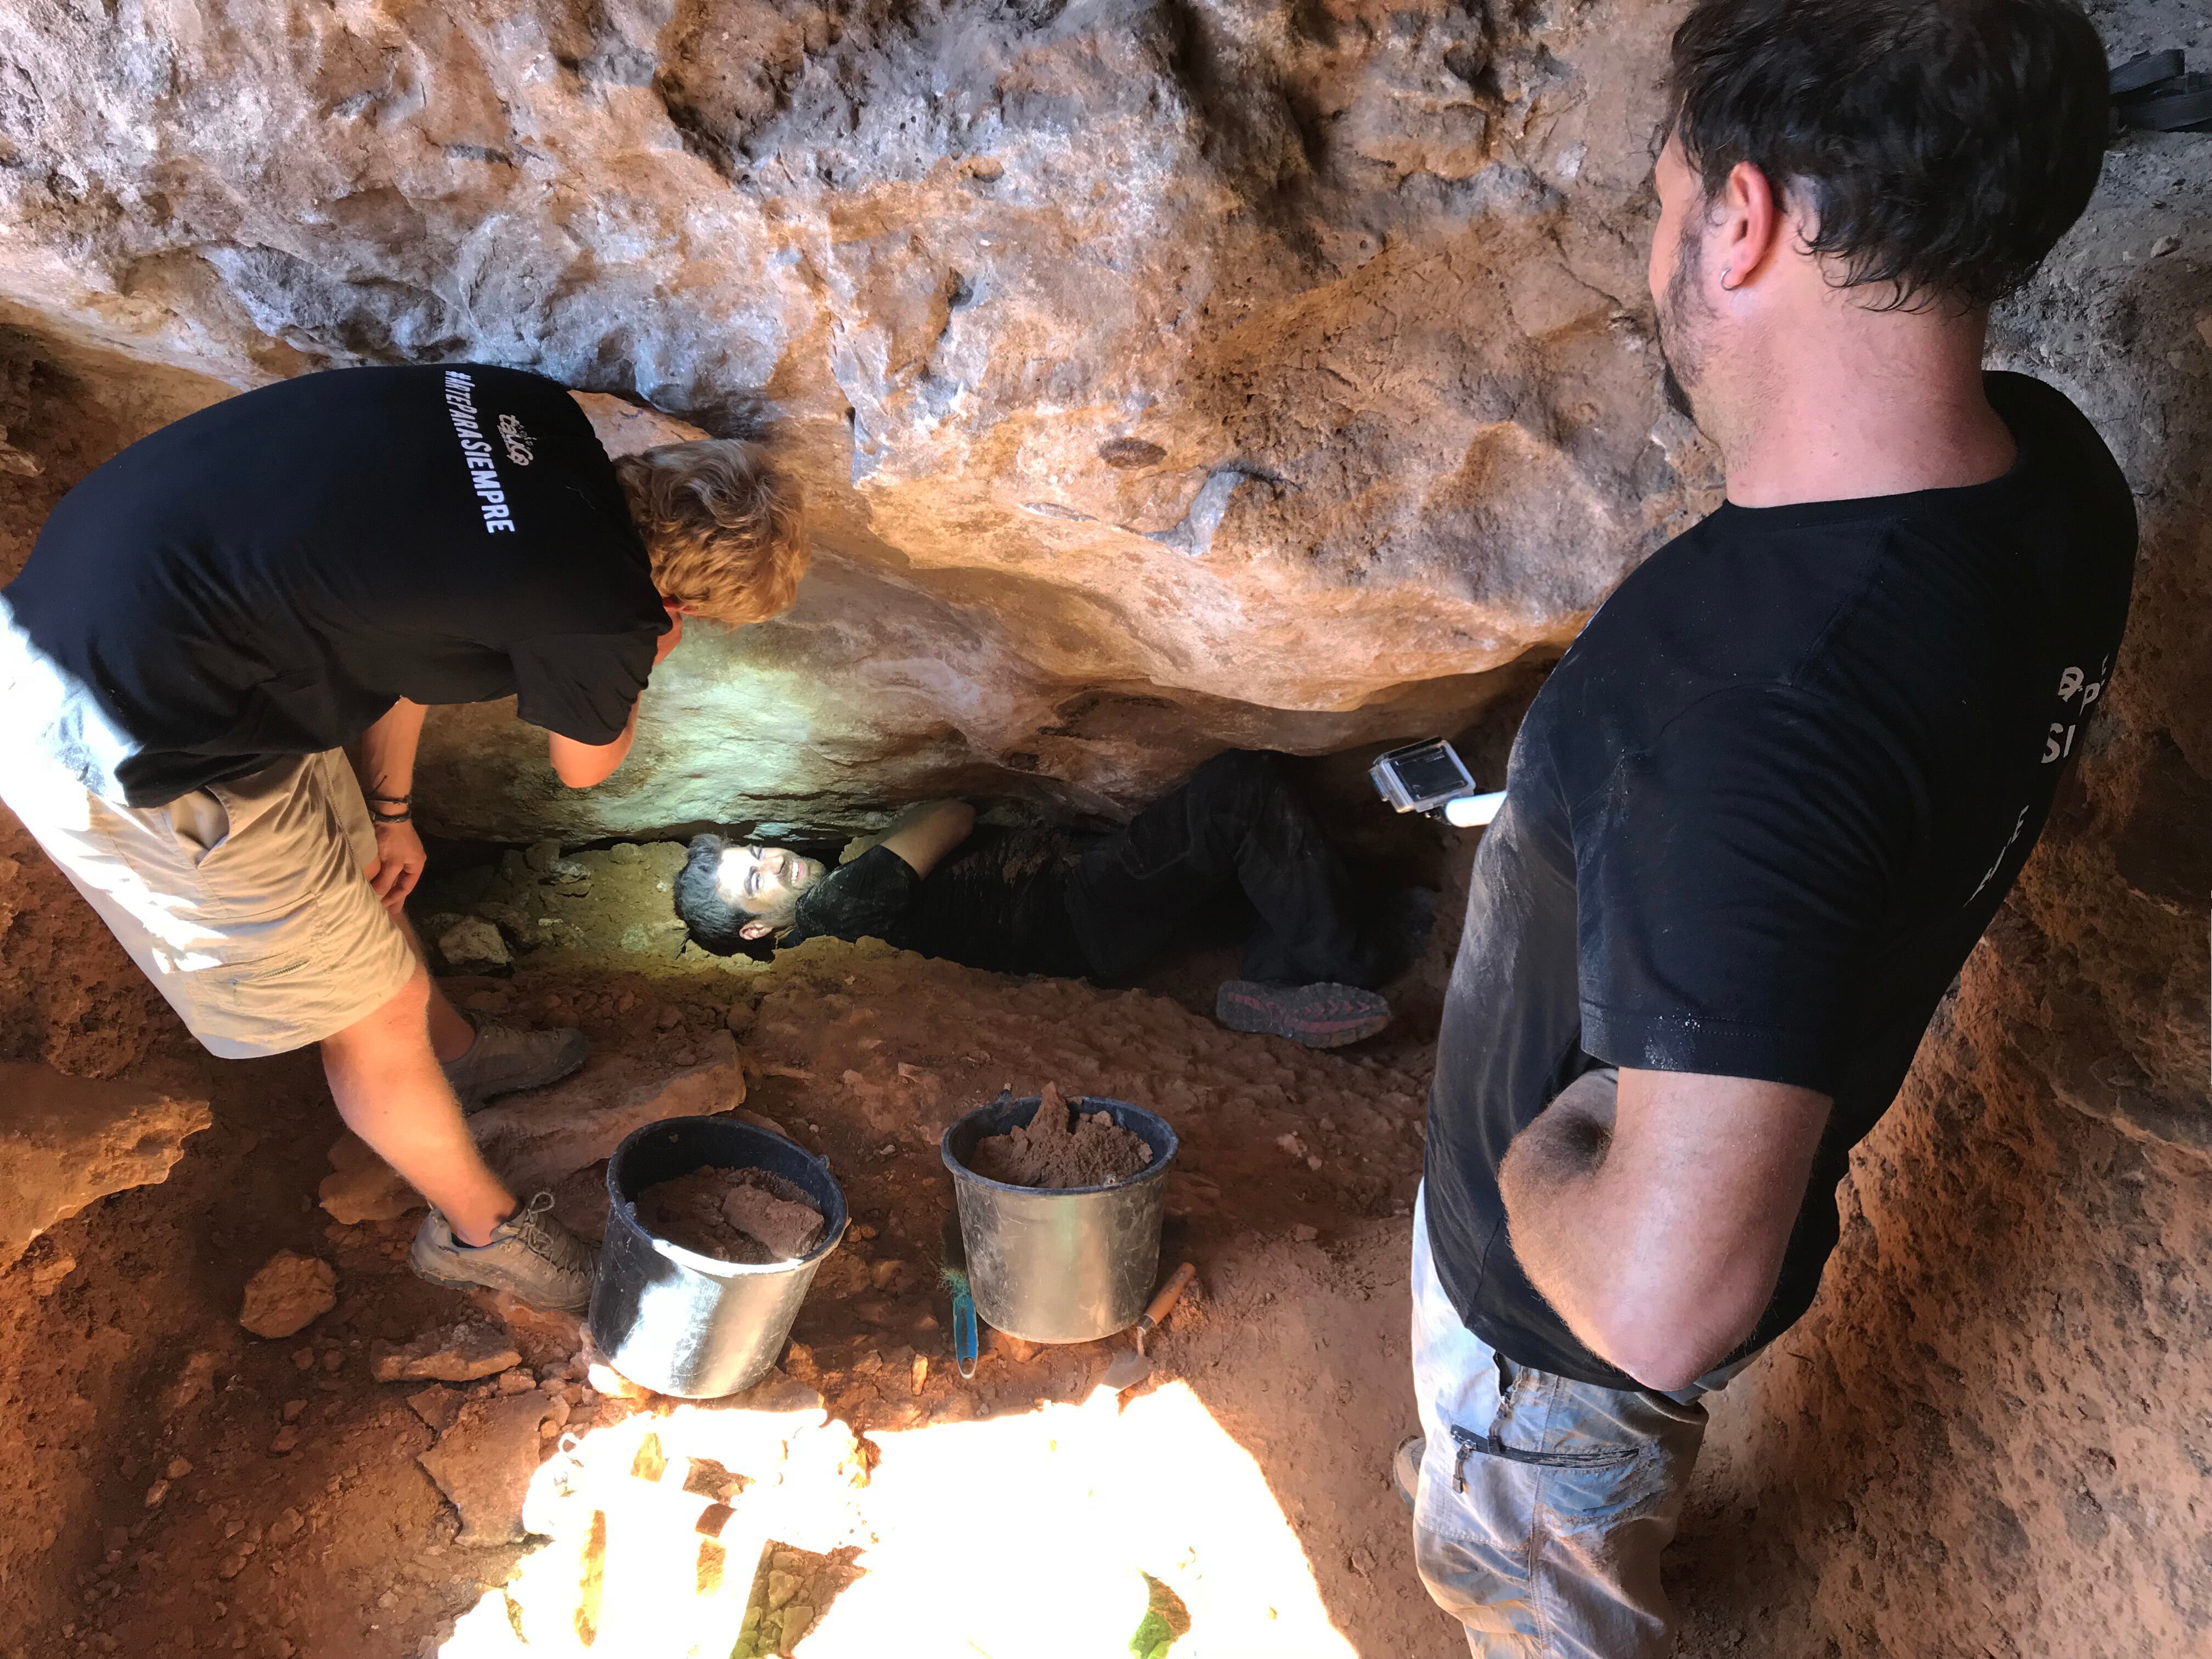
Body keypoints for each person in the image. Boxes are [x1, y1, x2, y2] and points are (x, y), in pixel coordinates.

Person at [1404, 0, 2131, 1652]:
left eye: (1666, 200)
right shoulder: (2060, 484)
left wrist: (1529, 1164)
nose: (1660, 240)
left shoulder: (1749, 704)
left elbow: (1662, 1306)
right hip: (1709, 1160)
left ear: (1745, 218)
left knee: (1536, 1597)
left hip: (1547, 1361)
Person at [0, 364, 808, 1311]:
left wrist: (392, 810)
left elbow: (410, 642)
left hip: (145, 622)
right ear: (686, 603)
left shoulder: (529, 416)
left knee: (355, 878)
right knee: (368, 1024)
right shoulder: (606, 608)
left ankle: (458, 1058)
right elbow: (585, 765)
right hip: (129, 758)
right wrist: (644, 653)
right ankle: (479, 1235)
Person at [674, 749, 1405, 1048]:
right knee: (1238, 793)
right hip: (1075, 908)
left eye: (759, 852)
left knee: (1250, 873)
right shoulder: (832, 913)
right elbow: (952, 815)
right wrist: (875, 845)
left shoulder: (838, 928)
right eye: (757, 881)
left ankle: (1271, 980)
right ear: (754, 934)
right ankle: (1346, 964)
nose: (775, 862)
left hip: (1072, 922)